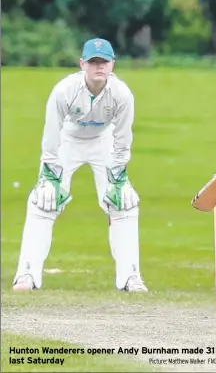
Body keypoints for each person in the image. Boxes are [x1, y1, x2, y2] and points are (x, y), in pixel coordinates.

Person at [12, 38, 147, 293]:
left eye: (104, 62)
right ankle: (27, 275)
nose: (99, 67)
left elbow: (123, 138)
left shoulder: (122, 94)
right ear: (82, 63)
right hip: (68, 140)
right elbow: (51, 133)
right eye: (93, 62)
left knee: (124, 203)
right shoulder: (64, 90)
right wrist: (50, 175)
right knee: (43, 201)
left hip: (103, 142)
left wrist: (119, 176)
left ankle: (130, 277)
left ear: (112, 64)